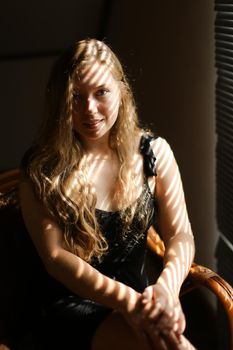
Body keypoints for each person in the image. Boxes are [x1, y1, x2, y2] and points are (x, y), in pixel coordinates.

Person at [19, 38, 196, 350]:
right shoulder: (42, 168)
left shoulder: (155, 154)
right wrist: (131, 303)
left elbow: (180, 234)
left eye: (101, 92)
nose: (89, 109)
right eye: (75, 97)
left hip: (142, 301)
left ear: (121, 91)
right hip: (72, 307)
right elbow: (55, 259)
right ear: (61, 102)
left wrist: (167, 290)